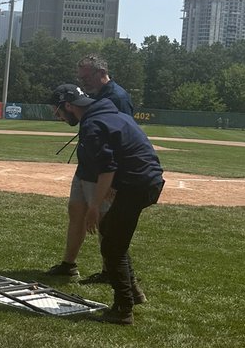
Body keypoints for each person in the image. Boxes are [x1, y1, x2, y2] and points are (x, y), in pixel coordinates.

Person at [50, 83, 164, 324]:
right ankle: (133, 293)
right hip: (147, 181)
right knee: (115, 239)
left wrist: (93, 208)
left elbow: (107, 169)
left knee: (112, 245)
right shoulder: (110, 113)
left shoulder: (93, 125)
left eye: (58, 111)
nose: (58, 116)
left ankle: (123, 310)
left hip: (137, 184)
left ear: (69, 106)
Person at [47, 54, 135, 279]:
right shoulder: (94, 95)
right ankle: (69, 265)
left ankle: (111, 269)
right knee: (76, 210)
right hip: (87, 165)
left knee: (105, 221)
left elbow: (123, 136)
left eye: (85, 78)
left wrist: (115, 180)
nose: (82, 82)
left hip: (103, 170)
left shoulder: (117, 96)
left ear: (99, 73)